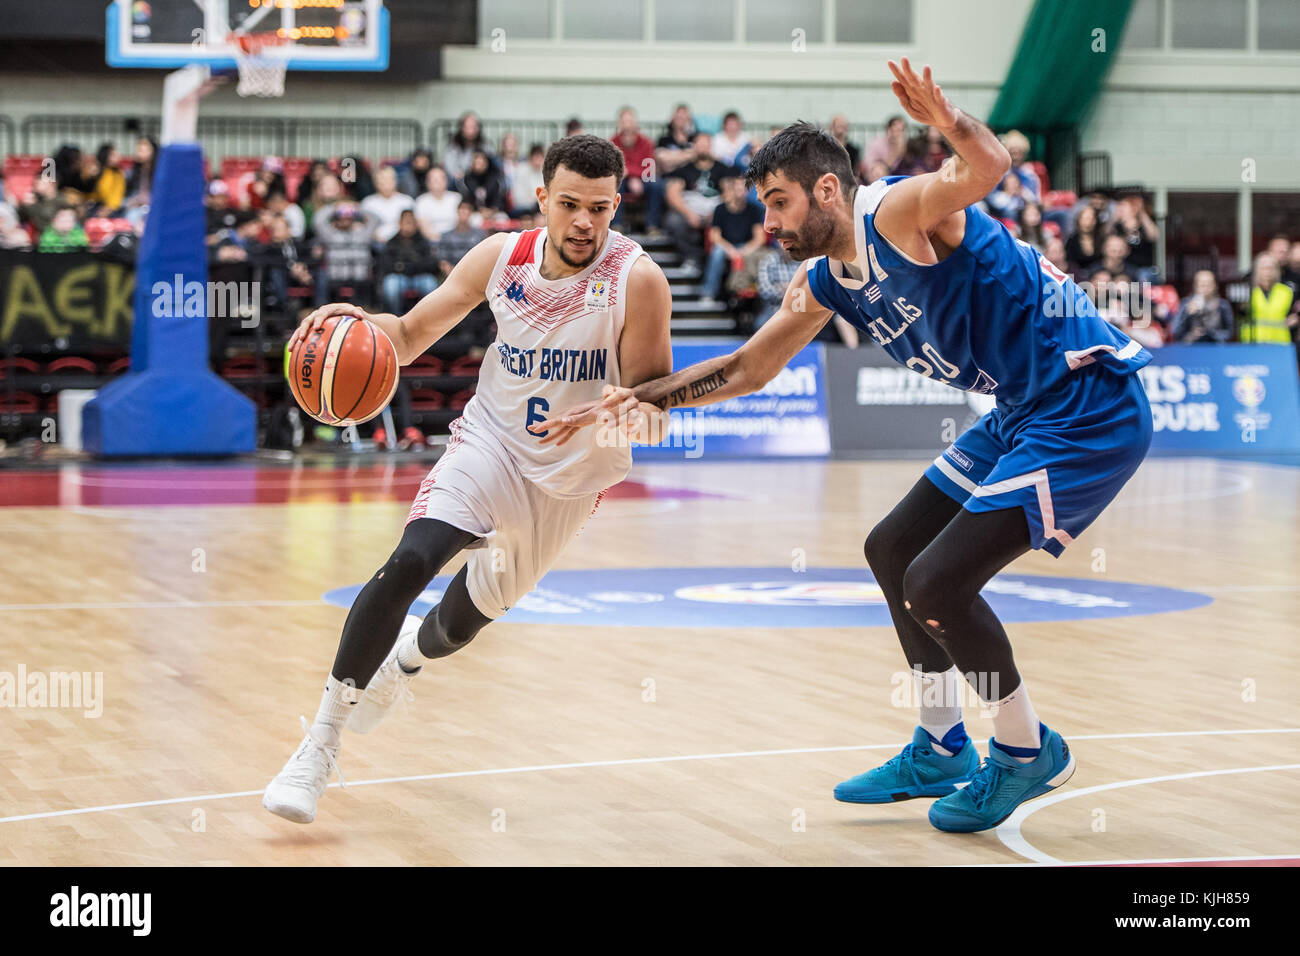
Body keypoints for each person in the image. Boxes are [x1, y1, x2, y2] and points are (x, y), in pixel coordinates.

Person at [540, 61, 1154, 834]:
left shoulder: (898, 212)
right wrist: (637, 399)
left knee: (936, 583)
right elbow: (749, 367)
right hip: (1022, 407)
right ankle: (939, 744)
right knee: (892, 548)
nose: (771, 224)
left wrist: (948, 117)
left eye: (778, 203)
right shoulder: (828, 279)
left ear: (826, 190)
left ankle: (1027, 749)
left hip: (1087, 403)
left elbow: (990, 166)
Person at [262, 135, 675, 824]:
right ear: (541, 198)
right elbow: (409, 332)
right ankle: (319, 743)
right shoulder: (501, 257)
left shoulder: (639, 280)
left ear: (616, 205)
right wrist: (347, 325)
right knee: (411, 561)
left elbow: (655, 414)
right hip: (488, 445)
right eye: (569, 204)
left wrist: (613, 417)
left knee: (457, 626)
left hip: (567, 484)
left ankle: (406, 662)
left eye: (598, 209)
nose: (583, 222)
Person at [663, 133, 740, 268]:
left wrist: (716, 213)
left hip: (715, 210)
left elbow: (730, 192)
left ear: (711, 147)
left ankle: (723, 264)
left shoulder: (722, 168)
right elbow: (672, 193)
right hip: (691, 210)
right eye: (700, 144)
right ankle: (692, 256)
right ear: (694, 147)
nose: (703, 148)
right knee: (673, 220)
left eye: (706, 144)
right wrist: (688, 213)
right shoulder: (685, 169)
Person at [700, 175, 766, 303]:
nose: (741, 192)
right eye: (738, 188)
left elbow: (760, 238)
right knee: (717, 253)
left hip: (745, 246)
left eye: (745, 189)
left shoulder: (754, 210)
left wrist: (745, 250)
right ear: (732, 189)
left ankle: (756, 296)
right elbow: (714, 236)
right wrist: (730, 250)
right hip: (725, 246)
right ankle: (708, 292)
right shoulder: (720, 209)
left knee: (760, 255)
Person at [611, 107, 664, 234]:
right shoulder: (613, 142)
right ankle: (616, 225)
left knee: (657, 186)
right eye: (624, 122)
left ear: (635, 124)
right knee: (614, 186)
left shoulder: (646, 142)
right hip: (622, 181)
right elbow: (613, 167)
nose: (628, 126)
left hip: (642, 180)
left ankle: (652, 226)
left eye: (630, 122)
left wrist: (632, 174)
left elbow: (649, 167)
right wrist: (629, 176)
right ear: (620, 124)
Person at [379, 209, 439, 315]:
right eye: (405, 222)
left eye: (410, 222)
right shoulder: (391, 242)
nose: (408, 225)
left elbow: (432, 264)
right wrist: (411, 266)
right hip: (399, 277)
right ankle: (395, 318)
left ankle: (428, 318)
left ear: (415, 224)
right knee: (391, 285)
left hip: (420, 277)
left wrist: (403, 266)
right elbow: (386, 265)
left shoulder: (423, 242)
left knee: (430, 284)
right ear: (400, 223)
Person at [1241, 253, 1298, 344]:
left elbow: (1296, 309)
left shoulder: (1286, 291)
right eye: (1264, 268)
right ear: (1256, 270)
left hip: (1280, 341)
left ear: (1277, 270)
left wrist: (1296, 318)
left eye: (1271, 268)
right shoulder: (1247, 291)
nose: (1268, 272)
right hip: (1253, 341)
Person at [1169, 270, 1233, 344]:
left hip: (1215, 347)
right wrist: (1187, 314)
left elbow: (1229, 333)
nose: (1205, 287)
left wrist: (1210, 334)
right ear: (1195, 286)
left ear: (1215, 286)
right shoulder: (1185, 304)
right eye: (1202, 284)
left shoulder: (1223, 305)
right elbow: (1175, 331)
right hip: (1190, 348)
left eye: (1208, 283)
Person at [360, 166, 415, 243]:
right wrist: (376, 237)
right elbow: (366, 227)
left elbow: (411, 226)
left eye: (388, 180)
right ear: (375, 183)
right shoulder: (368, 203)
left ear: (395, 181)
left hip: (401, 241)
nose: (385, 184)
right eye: (382, 180)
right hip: (376, 242)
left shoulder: (406, 201)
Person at [413, 166, 463, 240]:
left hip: (457, 239)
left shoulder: (457, 198)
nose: (438, 182)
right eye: (434, 179)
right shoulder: (421, 201)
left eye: (441, 178)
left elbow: (462, 222)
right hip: (431, 242)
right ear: (427, 182)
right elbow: (423, 227)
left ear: (446, 181)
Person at [1064, 205, 1103, 274]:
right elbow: (1069, 263)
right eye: (1084, 218)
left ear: (1096, 221)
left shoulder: (1102, 240)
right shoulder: (1072, 241)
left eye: (1091, 219)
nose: (1088, 223)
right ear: (1078, 220)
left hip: (1099, 276)